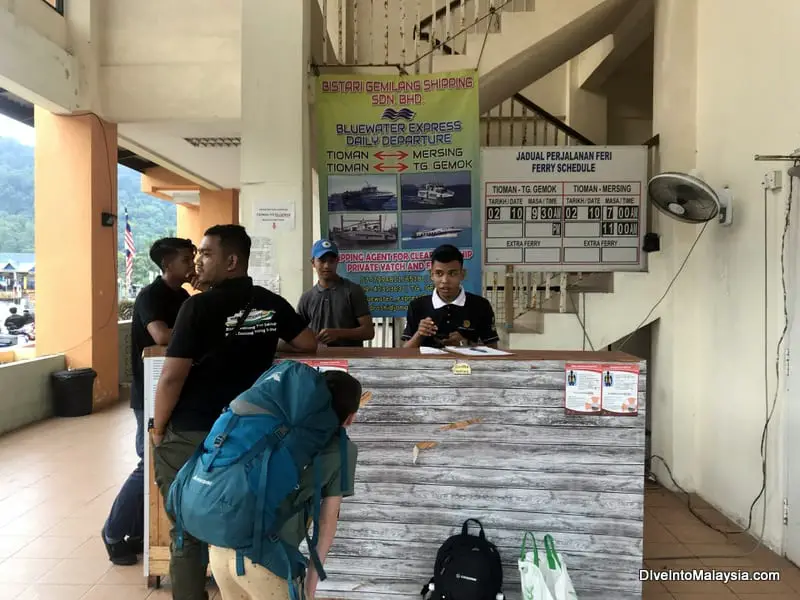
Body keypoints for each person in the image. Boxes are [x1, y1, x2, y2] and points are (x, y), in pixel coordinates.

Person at [151, 224, 317, 600]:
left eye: (206, 253)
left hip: (193, 431)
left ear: (231, 261)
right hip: (245, 436)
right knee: (238, 517)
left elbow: (171, 380)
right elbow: (308, 344)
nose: (198, 260)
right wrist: (261, 345)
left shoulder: (196, 307)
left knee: (186, 528)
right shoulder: (270, 303)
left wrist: (158, 428)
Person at [208, 369, 362, 600]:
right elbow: (326, 524)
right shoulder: (342, 450)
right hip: (266, 562)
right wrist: (309, 589)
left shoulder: (276, 427)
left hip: (221, 549)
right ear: (350, 417)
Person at [102, 237, 196, 565]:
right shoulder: (150, 297)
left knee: (162, 464)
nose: (193, 264)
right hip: (149, 394)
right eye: (186, 259)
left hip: (175, 392)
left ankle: (139, 533)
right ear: (167, 265)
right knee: (149, 465)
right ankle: (112, 532)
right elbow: (163, 336)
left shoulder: (184, 296)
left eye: (195, 258)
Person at [401, 244, 499, 349]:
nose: (445, 280)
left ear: (462, 274)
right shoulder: (417, 306)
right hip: (427, 365)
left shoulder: (481, 305)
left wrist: (466, 344)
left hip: (467, 365)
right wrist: (419, 334)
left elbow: (493, 349)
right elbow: (405, 351)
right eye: (439, 273)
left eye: (452, 273)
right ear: (431, 275)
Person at [297, 239, 374, 347]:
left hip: (350, 360)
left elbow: (369, 332)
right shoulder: (307, 298)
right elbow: (296, 333)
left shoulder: (353, 291)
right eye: (322, 260)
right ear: (313, 262)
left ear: (337, 261)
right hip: (317, 360)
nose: (327, 266)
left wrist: (339, 334)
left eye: (331, 261)